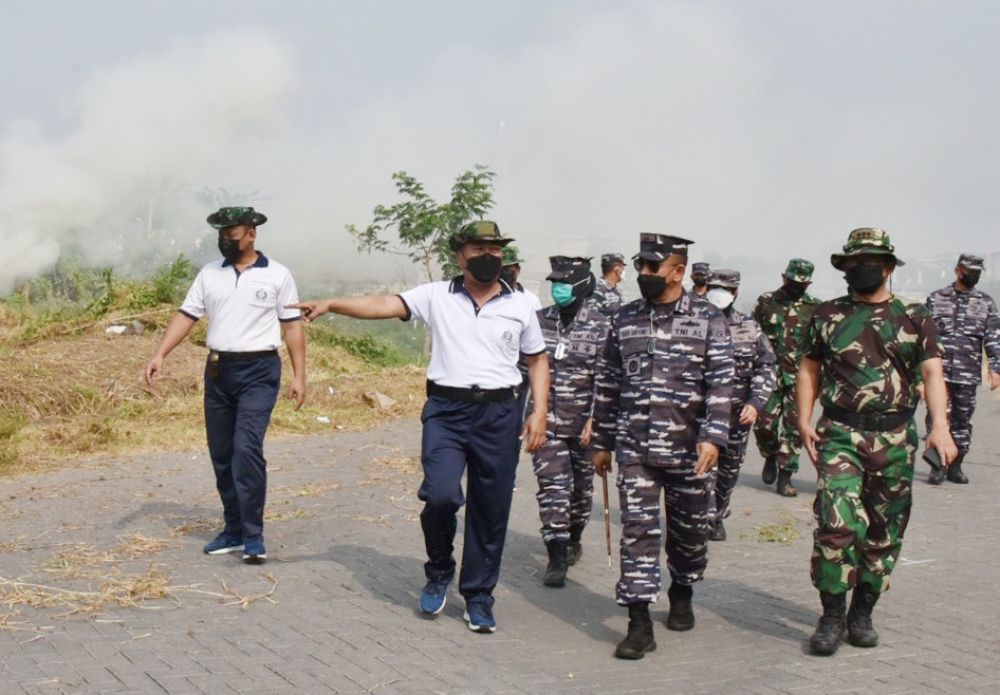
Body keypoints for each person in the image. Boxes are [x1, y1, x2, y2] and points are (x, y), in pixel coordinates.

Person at [290, 221, 549, 635]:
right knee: (441, 495)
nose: (489, 257)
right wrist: (332, 304)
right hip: (447, 411)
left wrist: (539, 412)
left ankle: (479, 595)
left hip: (499, 414)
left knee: (491, 508)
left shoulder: (522, 303)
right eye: (479, 249)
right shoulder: (436, 296)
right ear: (460, 256)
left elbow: (536, 359)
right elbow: (384, 304)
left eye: (495, 250)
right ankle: (439, 568)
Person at [797, 227, 957, 656]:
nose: (860, 269)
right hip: (840, 435)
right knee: (836, 525)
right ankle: (832, 615)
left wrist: (940, 425)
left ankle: (862, 612)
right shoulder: (827, 314)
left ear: (887, 267)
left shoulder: (914, 315)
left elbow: (932, 373)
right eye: (853, 263)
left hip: (895, 437)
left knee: (885, 529)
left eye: (869, 262)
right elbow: (809, 368)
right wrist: (803, 420)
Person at [592, 233, 733, 660]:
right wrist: (601, 441)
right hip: (635, 448)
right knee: (638, 531)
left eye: (653, 267)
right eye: (641, 265)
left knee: (691, 533)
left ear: (678, 271)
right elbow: (608, 381)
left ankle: (683, 588)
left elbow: (721, 383)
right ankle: (638, 622)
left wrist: (713, 437)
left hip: (690, 449)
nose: (644, 273)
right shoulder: (624, 318)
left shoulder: (708, 318)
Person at [145, 207, 306, 564]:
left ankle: (253, 535)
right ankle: (233, 529)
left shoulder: (277, 275)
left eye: (231, 236)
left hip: (260, 371)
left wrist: (299, 375)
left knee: (246, 449)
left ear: (251, 234)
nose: (225, 242)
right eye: (221, 236)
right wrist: (160, 354)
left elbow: (292, 326)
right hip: (219, 371)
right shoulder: (209, 274)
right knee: (221, 453)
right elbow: (187, 315)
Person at [532, 256, 611, 587]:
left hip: (583, 427)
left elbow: (606, 378)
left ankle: (574, 536)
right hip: (546, 423)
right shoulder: (538, 321)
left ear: (581, 286)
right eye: (554, 283)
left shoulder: (601, 326)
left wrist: (597, 419)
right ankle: (557, 554)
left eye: (564, 283)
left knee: (580, 491)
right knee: (553, 488)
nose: (558, 289)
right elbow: (525, 370)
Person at [703, 270, 776, 541]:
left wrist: (756, 402)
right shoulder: (690, 323)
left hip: (737, 416)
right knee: (701, 470)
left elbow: (767, 365)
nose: (718, 292)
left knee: (728, 472)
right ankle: (703, 518)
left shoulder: (749, 327)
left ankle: (718, 513)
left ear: (735, 292)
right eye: (714, 287)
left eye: (725, 288)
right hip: (700, 416)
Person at [923, 254, 1000, 485]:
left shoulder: (985, 302)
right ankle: (937, 465)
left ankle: (956, 465)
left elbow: (993, 338)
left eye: (978, 272)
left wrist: (995, 368)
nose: (974, 276)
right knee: (937, 418)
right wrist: (918, 375)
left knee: (962, 420)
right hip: (938, 373)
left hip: (968, 372)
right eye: (970, 271)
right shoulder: (936, 299)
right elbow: (924, 337)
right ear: (958, 270)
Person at [752, 258, 820, 497]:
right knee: (764, 425)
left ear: (808, 284)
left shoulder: (815, 309)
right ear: (784, 278)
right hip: (768, 375)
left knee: (794, 429)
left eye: (801, 284)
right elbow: (751, 336)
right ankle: (769, 454)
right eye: (793, 282)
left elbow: (820, 347)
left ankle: (785, 475)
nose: (796, 287)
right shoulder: (766, 302)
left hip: (799, 380)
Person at [502, 245, 543, 424]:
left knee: (516, 419)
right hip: (499, 367)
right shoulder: (491, 297)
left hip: (521, 370)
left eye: (510, 269)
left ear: (518, 269)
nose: (506, 273)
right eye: (502, 269)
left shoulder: (531, 301)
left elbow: (536, 342)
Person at [592, 253, 626, 317]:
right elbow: (591, 316)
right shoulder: (598, 291)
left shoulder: (616, 290)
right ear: (617, 270)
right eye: (623, 268)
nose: (624, 271)